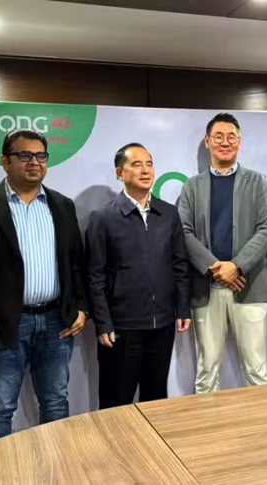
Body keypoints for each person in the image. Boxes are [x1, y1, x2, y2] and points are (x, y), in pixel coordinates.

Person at [0, 129, 88, 444]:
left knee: (56, 401)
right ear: (5, 161)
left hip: (56, 322)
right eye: (24, 155)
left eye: (41, 155)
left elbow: (76, 263)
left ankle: (54, 466)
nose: (34, 162)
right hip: (3, 324)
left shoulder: (62, 205)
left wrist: (81, 308)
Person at [86, 143, 190, 408]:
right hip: (122, 328)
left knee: (155, 401)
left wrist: (182, 308)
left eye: (149, 163)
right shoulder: (103, 217)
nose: (145, 170)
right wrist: (103, 323)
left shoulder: (168, 213)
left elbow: (179, 264)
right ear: (120, 173)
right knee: (116, 401)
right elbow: (95, 276)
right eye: (136, 164)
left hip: (162, 325)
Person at [178, 112, 267, 393]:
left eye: (231, 137)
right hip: (206, 289)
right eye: (218, 136)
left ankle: (262, 422)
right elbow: (183, 232)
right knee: (207, 370)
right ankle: (207, 423)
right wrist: (215, 268)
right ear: (208, 142)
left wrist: (237, 266)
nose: (225, 142)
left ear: (239, 143)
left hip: (248, 286)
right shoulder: (192, 186)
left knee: (257, 369)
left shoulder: (257, 182)